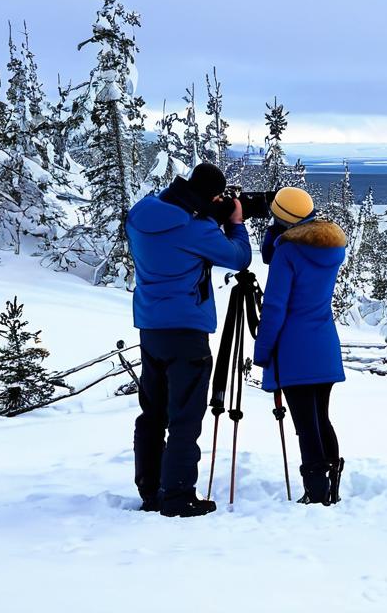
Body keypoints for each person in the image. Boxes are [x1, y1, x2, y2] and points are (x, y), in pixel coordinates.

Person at [126, 163, 251, 517]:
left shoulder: (140, 215)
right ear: (210, 198)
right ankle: (178, 495)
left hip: (151, 327)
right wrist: (234, 223)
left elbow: (173, 221)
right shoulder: (195, 229)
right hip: (187, 330)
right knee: (185, 414)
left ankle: (150, 489)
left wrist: (206, 212)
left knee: (153, 412)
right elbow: (238, 258)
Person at [253, 187, 347, 505]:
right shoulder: (327, 247)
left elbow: (275, 308)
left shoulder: (289, 253)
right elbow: (272, 252)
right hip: (324, 343)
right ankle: (331, 482)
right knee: (321, 418)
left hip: (294, 349)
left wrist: (262, 351)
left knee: (306, 424)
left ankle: (317, 492)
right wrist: (277, 230)